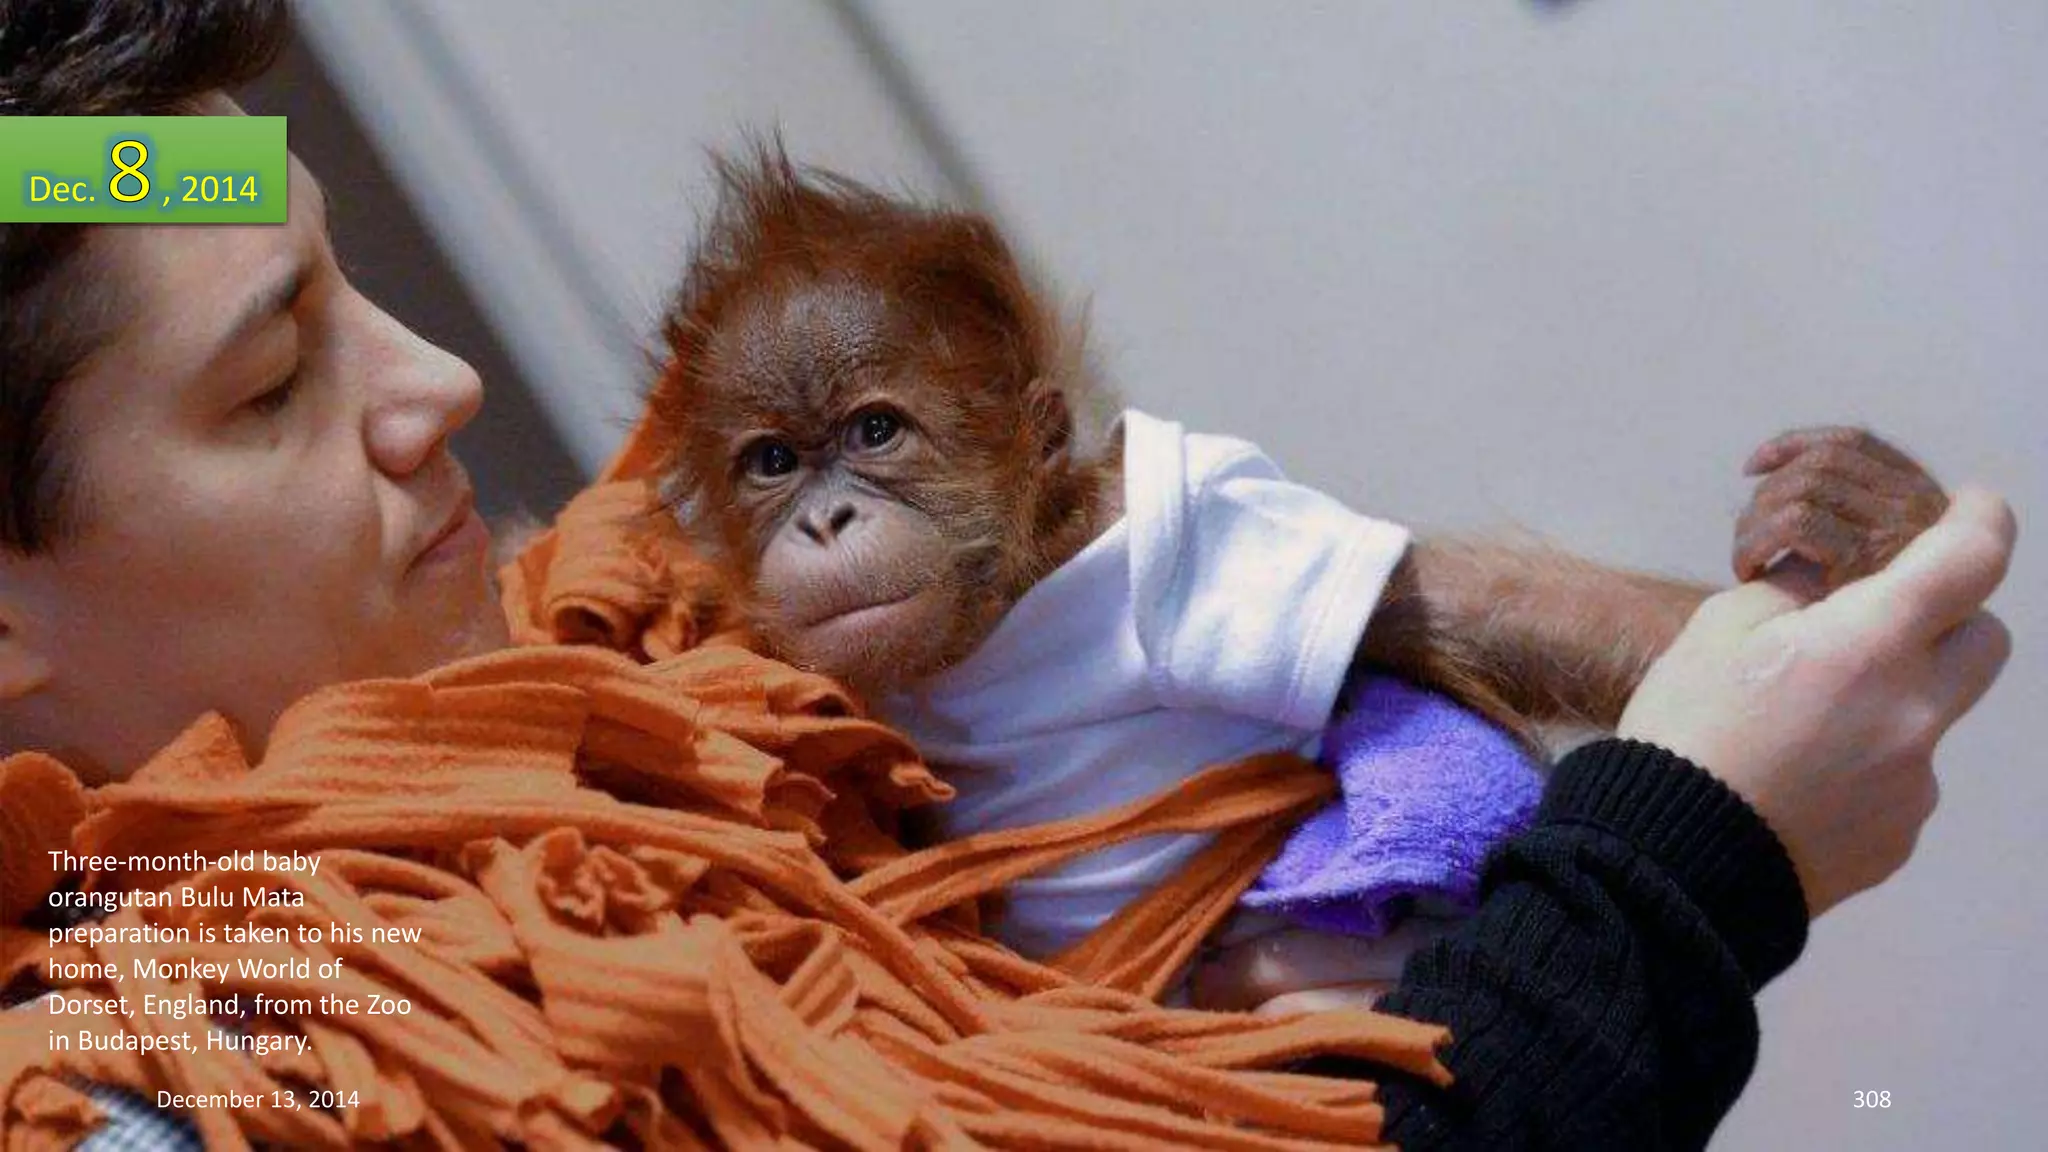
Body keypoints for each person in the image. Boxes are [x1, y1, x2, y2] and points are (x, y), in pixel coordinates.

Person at [0, 2, 2017, 1148]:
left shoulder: (637, 655)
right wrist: (1683, 862)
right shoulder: (172, 1066)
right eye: (274, 381)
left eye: (350, 286)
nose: (436, 383)